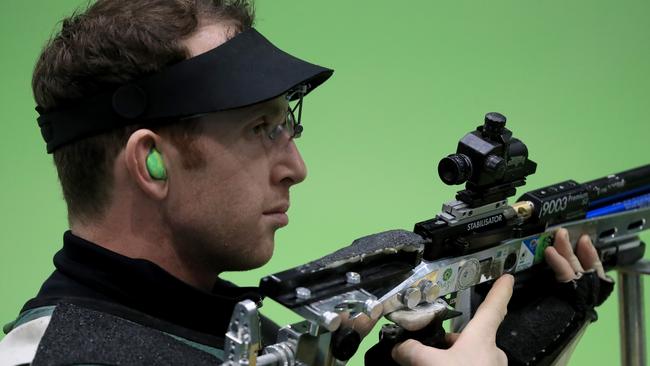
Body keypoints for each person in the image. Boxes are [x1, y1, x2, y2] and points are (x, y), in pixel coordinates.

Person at [0, 1, 613, 365]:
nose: (296, 167)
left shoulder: (227, 333)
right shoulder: (51, 356)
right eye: (261, 129)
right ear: (150, 161)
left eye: (288, 125)